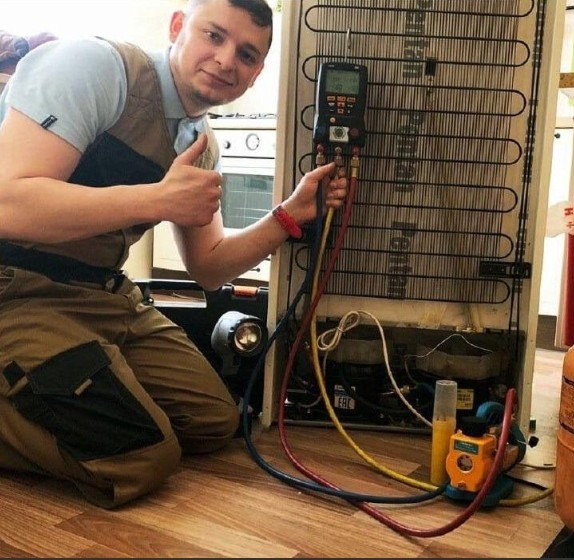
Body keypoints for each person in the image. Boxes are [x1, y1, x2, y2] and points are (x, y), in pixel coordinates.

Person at [0, 0, 347, 507]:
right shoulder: (97, 67)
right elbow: (7, 203)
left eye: (247, 54)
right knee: (141, 459)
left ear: (256, 73)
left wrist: (289, 214)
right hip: (17, 288)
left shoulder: (201, 143)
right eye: (214, 36)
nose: (226, 60)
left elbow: (208, 266)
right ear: (178, 27)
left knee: (214, 422)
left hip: (102, 295)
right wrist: (157, 199)